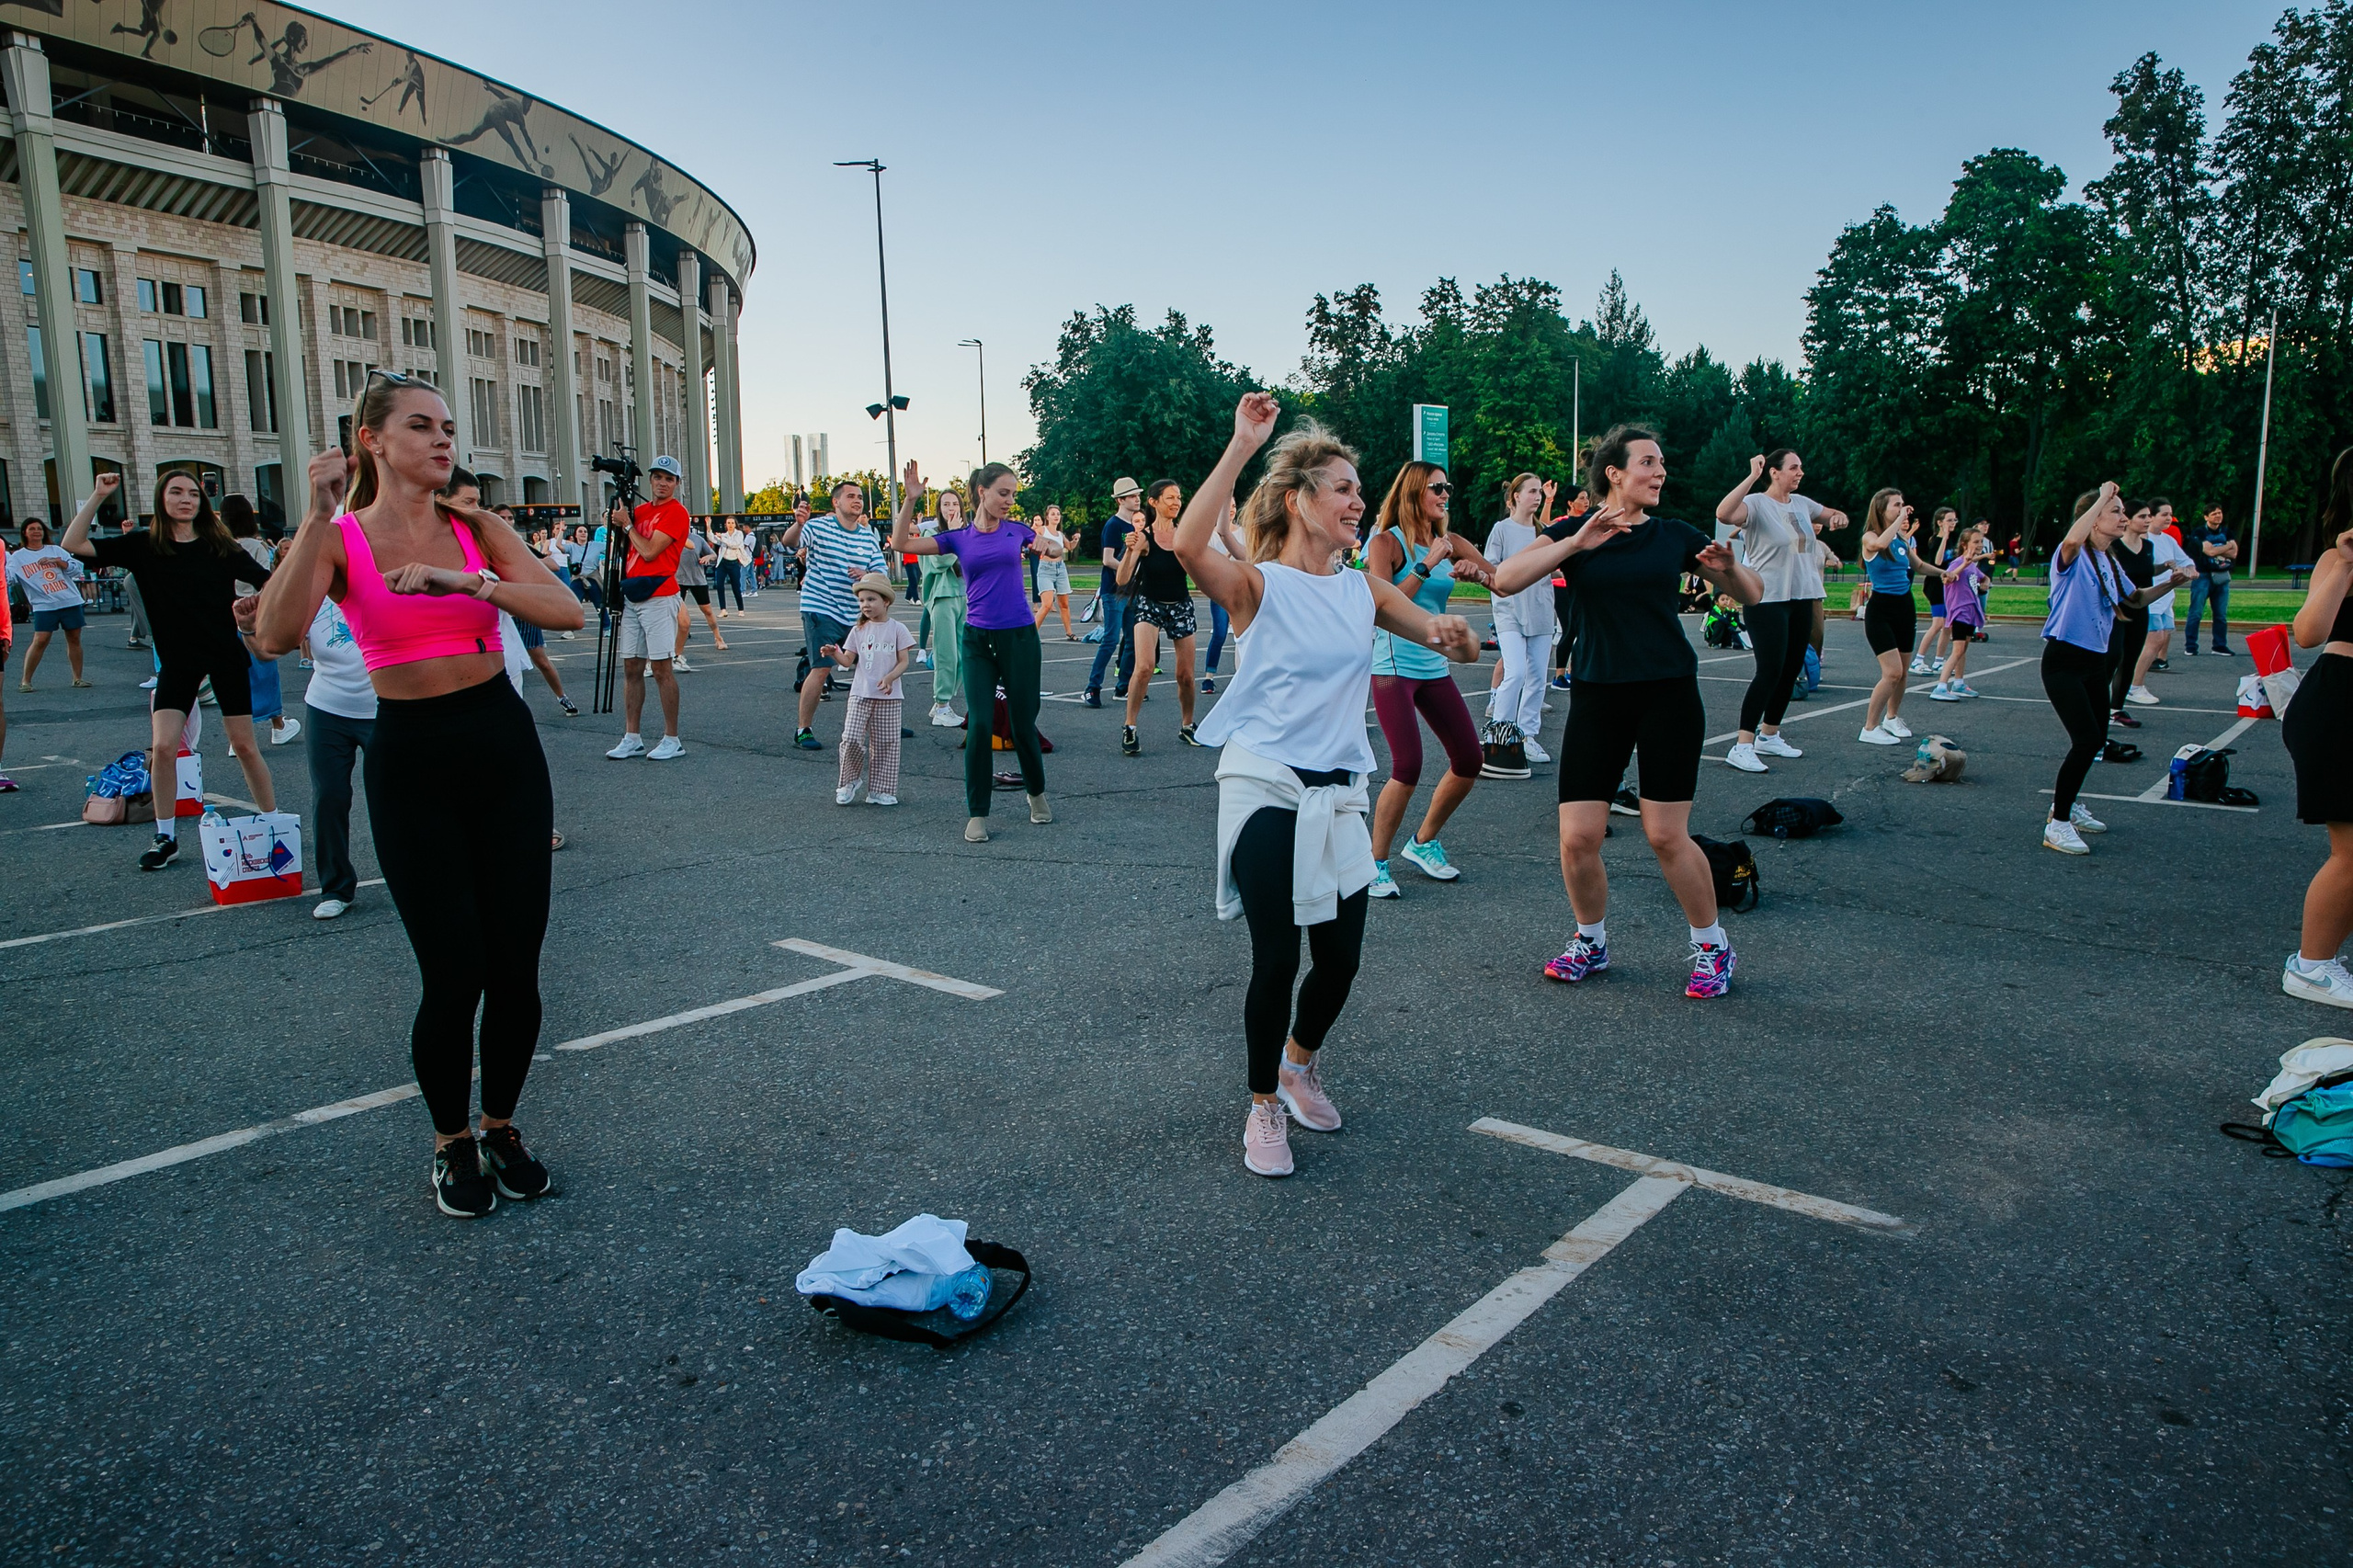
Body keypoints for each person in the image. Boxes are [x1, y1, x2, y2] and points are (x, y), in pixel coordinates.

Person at [253, 371, 583, 1218]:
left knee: (515, 964)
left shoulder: (476, 527)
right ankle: (451, 1141)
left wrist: (470, 585)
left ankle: (501, 1126)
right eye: (422, 426)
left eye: (447, 427)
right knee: (453, 970)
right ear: (371, 440)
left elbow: (566, 611)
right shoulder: (339, 538)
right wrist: (316, 516)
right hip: (411, 760)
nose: (443, 440)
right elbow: (275, 635)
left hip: (502, 748)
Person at [1176, 392, 1476, 1177]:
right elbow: (1186, 544)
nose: (1356, 501)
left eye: (1358, 489)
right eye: (1342, 488)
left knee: (1340, 961)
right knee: (1278, 958)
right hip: (1266, 787)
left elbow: (1430, 631)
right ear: (1298, 500)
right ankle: (1262, 1105)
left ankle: (1297, 1064)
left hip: (1340, 793)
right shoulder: (1257, 586)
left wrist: (1452, 635)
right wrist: (1243, 444)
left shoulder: (1362, 590)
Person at [1487, 426, 1762, 997]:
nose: (1661, 472)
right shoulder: (1572, 531)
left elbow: (1752, 593)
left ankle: (1713, 947)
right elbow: (1506, 579)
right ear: (1614, 472)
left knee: (1665, 835)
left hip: (1667, 694)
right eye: (1649, 462)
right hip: (1598, 694)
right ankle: (1591, 941)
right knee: (1577, 837)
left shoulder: (1672, 535)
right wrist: (1576, 542)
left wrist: (1730, 568)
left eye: (1661, 463)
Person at [63, 471, 278, 869]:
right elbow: (73, 544)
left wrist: (253, 614)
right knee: (164, 748)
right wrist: (98, 495)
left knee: (245, 746)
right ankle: (165, 837)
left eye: (193, 493)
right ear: (161, 499)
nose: (186, 499)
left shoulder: (220, 546)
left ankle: (272, 823)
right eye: (176, 492)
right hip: (178, 661)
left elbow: (273, 583)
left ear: (201, 502)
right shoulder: (144, 545)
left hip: (224, 654)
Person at [891, 460, 1050, 841]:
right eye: (1003, 493)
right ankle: (977, 812)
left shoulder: (1017, 531)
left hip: (1020, 638)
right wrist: (910, 500)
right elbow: (900, 544)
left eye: (1013, 494)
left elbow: (1052, 548)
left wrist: (1048, 544)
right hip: (977, 639)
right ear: (982, 492)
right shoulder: (958, 538)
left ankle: (1036, 792)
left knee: (1022, 724)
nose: (1009, 500)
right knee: (978, 723)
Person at [1361, 460, 1495, 896]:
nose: (1445, 494)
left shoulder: (1451, 542)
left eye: (1447, 487)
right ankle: (1374, 863)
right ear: (1414, 491)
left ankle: (1423, 842)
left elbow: (1501, 580)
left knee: (1469, 759)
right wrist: (1426, 565)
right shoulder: (1386, 542)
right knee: (1408, 765)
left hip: (1434, 664)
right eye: (1437, 487)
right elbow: (1380, 607)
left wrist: (1478, 574)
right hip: (1392, 667)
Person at [2037, 483, 2190, 855]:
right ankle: (2057, 825)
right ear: (2093, 520)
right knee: (2086, 740)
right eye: (2115, 511)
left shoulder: (2107, 559)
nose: (2124, 518)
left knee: (2096, 740)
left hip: (2094, 662)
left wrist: (2171, 582)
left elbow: (2134, 598)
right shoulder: (2071, 554)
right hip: (2064, 662)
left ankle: (2066, 805)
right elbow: (2073, 539)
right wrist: (2102, 497)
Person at [1715, 449, 1843, 773]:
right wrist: (1751, 477)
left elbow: (1830, 514)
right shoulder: (1757, 503)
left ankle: (1769, 735)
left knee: (1790, 669)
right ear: (1774, 472)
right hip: (1766, 598)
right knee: (1769, 671)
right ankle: (1742, 745)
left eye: (1801, 467)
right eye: (1794, 467)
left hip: (1802, 596)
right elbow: (1724, 514)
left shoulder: (1802, 504)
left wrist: (1838, 517)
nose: (1800, 473)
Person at [2282, 448, 2353, 1006]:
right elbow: (2307, 633)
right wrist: (2346, 566)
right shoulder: (2337, 558)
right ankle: (2312, 966)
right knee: (2351, 851)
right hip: (2339, 705)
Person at [781, 478, 886, 751]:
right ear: (836, 502)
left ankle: (882, 723)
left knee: (873, 665)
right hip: (821, 607)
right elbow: (789, 543)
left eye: (860, 497)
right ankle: (803, 730)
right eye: (851, 496)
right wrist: (798, 524)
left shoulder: (867, 536)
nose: (857, 501)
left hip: (855, 612)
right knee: (821, 667)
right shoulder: (817, 527)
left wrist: (867, 574)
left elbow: (881, 571)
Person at [608, 456, 689, 760]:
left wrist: (627, 525)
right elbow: (624, 545)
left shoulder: (676, 512)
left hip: (660, 594)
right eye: (657, 477)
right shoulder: (640, 511)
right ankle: (632, 736)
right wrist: (619, 522)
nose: (662, 483)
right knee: (631, 666)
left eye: (669, 478)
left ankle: (672, 738)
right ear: (650, 480)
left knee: (660, 668)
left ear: (676, 483)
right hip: (633, 594)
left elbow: (650, 551)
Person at [301, 585, 374, 918]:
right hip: (327, 707)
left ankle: (414, 875)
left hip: (383, 707)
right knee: (329, 795)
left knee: (395, 798)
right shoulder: (312, 591)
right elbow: (269, 646)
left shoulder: (379, 579)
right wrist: (249, 628)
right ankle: (335, 887)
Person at [1118, 480, 1206, 755]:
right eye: (1170, 498)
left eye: (1178, 497)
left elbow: (1199, 574)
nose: (1176, 502)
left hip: (1180, 606)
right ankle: (1130, 727)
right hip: (1150, 604)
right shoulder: (1144, 537)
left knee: (1186, 675)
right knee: (1145, 667)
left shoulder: (1184, 536)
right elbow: (1122, 579)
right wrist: (1130, 550)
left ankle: (1188, 725)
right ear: (1154, 502)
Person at [1856, 489, 1946, 746]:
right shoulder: (1871, 537)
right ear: (1881, 510)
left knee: (1903, 672)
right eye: (1896, 505)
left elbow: (1918, 566)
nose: (1902, 508)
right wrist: (1898, 522)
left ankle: (1892, 718)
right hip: (1880, 610)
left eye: (1903, 504)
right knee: (1892, 672)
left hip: (1904, 607)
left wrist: (1943, 573)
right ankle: (1869, 727)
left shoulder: (1901, 539)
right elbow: (1879, 545)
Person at [1482, 474, 1558, 767]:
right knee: (1515, 673)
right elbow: (1491, 568)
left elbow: (1553, 565)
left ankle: (1527, 736)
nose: (1537, 497)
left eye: (1540, 492)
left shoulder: (1544, 532)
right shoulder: (1501, 529)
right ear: (1515, 496)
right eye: (1532, 492)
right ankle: (1498, 734)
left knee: (1537, 677)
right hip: (1509, 610)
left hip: (1540, 610)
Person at [824, 573, 915, 807]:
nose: (865, 605)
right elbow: (847, 661)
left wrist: (890, 677)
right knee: (851, 738)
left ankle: (880, 790)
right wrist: (834, 653)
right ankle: (848, 781)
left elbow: (904, 661)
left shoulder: (897, 629)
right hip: (860, 693)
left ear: (886, 601)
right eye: (862, 600)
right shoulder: (858, 630)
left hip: (889, 696)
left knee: (886, 743)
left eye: (871, 599)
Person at [223, 495, 301, 747]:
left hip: (226, 613)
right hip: (253, 611)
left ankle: (237, 736)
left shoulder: (219, 545)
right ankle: (277, 725)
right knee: (263, 670)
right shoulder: (255, 546)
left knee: (235, 675)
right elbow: (263, 582)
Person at [1084, 477, 1143, 707]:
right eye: (1132, 496)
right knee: (1110, 639)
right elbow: (1107, 559)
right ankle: (1092, 688)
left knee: (1133, 640)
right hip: (1113, 590)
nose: (1137, 499)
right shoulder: (1114, 525)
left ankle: (1123, 687)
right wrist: (1129, 571)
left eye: (1138, 495)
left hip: (1132, 591)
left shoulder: (1136, 525)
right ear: (1120, 500)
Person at [7, 518, 88, 689]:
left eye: (39, 528)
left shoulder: (55, 550)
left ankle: (77, 678)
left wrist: (58, 562)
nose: (37, 532)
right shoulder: (18, 557)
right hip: (44, 604)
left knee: (74, 638)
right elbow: (10, 578)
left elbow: (76, 569)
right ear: (24, 533)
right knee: (41, 640)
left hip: (69, 600)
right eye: (32, 529)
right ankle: (26, 681)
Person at [2104, 501, 2160, 730]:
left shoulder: (2148, 547)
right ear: (2128, 519)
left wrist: (2170, 571)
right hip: (2117, 610)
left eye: (2149, 516)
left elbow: (2147, 572)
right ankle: (2097, 706)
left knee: (2130, 660)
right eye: (2142, 516)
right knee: (2112, 657)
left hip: (2140, 609)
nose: (2148, 520)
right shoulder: (2113, 546)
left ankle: (2116, 709)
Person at [2129, 517, 2194, 697]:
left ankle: (2134, 683)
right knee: (2155, 640)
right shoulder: (2140, 541)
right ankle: (2134, 686)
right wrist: (2165, 568)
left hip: (2165, 599)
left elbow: (2185, 560)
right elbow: (2145, 570)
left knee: (2162, 637)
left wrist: (2189, 569)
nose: (2168, 518)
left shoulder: (2167, 540)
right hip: (2150, 599)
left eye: (2170, 514)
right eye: (2164, 514)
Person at [919, 488, 968, 729]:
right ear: (939, 509)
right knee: (946, 654)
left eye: (955, 504)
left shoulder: (967, 531)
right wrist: (954, 535)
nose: (951, 508)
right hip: (942, 596)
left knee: (964, 655)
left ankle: (942, 701)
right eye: (946, 504)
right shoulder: (931, 533)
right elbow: (939, 561)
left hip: (964, 596)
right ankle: (942, 706)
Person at [1929, 529, 1992, 700]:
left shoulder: (1972, 566)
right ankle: (1940, 687)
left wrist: (1985, 583)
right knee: (1957, 650)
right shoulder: (1957, 563)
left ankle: (1958, 683)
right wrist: (1964, 564)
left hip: (1971, 612)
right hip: (1960, 612)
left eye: (1981, 542)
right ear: (1964, 544)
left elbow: (1984, 578)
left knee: (1963, 649)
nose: (1980, 545)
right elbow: (1947, 578)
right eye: (1975, 542)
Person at [1910, 508, 1961, 674]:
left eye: (1954, 520)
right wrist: (1944, 536)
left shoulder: (1953, 540)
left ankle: (1939, 661)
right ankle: (1918, 660)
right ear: (1940, 523)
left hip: (1948, 586)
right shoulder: (1935, 540)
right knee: (1938, 624)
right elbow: (1938, 562)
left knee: (1947, 626)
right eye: (1949, 520)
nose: (1953, 523)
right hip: (1936, 586)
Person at [672, 515, 725, 668]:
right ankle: (675, 648)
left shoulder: (697, 539)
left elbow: (714, 554)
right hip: (677, 580)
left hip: (697, 579)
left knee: (707, 610)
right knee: (674, 613)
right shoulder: (671, 538)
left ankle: (718, 638)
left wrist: (708, 557)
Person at [2184, 504, 2236, 655]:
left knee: (2221, 615)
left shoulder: (2227, 532)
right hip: (2203, 576)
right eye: (2214, 514)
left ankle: (2219, 646)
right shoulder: (2199, 532)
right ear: (2206, 517)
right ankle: (2191, 646)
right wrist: (2227, 546)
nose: (2218, 516)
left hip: (2222, 576)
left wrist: (2218, 549)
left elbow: (2234, 553)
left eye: (2219, 513)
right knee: (2196, 612)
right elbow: (2210, 552)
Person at [1031, 504, 1075, 638]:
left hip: (1060, 568)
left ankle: (1069, 632)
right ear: (1047, 517)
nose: (1056, 516)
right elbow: (1031, 537)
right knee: (1047, 604)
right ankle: (1031, 635)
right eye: (1053, 514)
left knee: (1064, 604)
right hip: (1046, 568)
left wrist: (1075, 539)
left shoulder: (1060, 534)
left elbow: (1070, 546)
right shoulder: (1042, 530)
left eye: (1058, 514)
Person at [714, 515, 751, 615]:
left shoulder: (739, 534)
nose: (730, 525)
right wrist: (708, 527)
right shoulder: (724, 535)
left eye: (732, 523)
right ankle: (723, 610)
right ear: (725, 525)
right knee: (719, 585)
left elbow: (735, 544)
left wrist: (722, 538)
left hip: (734, 563)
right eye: (728, 523)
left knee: (736, 587)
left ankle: (741, 609)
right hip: (723, 562)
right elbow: (713, 539)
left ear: (735, 524)